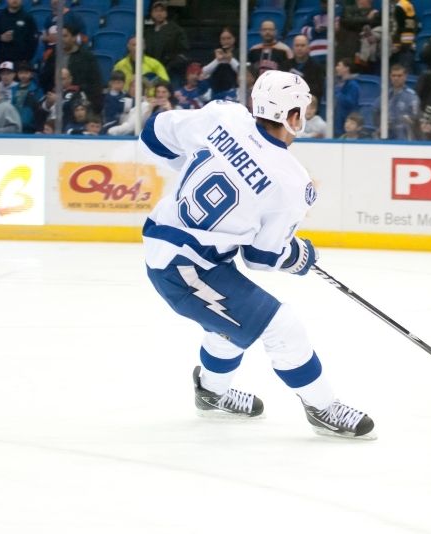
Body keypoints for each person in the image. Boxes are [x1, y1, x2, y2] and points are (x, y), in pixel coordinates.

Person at [138, 70, 375, 439]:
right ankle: (322, 407)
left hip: (175, 244)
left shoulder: (224, 114)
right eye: (303, 109)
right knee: (283, 327)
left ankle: (212, 392)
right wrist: (296, 256)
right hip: (184, 267)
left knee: (229, 322)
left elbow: (154, 133)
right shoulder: (293, 182)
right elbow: (261, 256)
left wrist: (193, 166)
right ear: (293, 117)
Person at [144, 0, 190, 88]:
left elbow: (184, 52)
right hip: (151, 73)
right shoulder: (147, 32)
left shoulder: (177, 30)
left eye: (162, 10)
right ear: (152, 13)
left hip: (171, 73)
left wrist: (170, 66)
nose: (159, 13)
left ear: (166, 13)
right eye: (156, 10)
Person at [373, 63, 419, 141]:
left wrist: (408, 121)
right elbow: (375, 112)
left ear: (405, 77)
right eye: (393, 76)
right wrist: (380, 124)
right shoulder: (385, 96)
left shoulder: (411, 97)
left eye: (399, 75)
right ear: (390, 77)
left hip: (405, 139)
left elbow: (416, 119)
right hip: (386, 138)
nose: (396, 78)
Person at [0, 0, 39, 67]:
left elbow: (34, 40)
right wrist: (0, 37)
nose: (15, 0)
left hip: (21, 62)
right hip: (3, 61)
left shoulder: (28, 18)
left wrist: (27, 59)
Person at [201, 27, 239, 102]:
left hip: (234, 91)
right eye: (223, 39)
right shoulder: (215, 53)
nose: (226, 41)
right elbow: (204, 72)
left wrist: (231, 60)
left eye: (228, 38)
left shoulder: (239, 52)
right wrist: (217, 60)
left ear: (234, 39)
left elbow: (243, 72)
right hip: (216, 90)